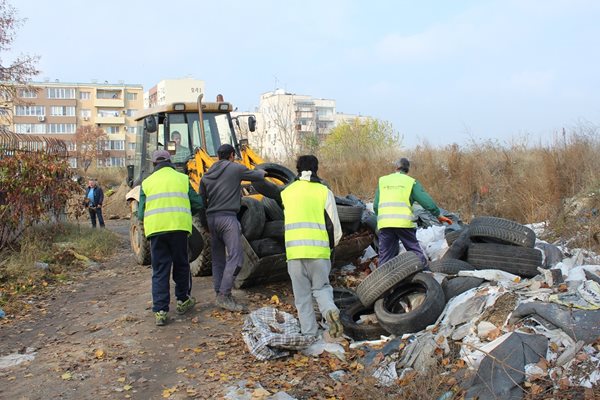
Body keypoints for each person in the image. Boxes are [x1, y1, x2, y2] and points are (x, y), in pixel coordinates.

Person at [280, 155, 344, 338]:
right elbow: (334, 226)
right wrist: (331, 247)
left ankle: (309, 334)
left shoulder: (287, 192)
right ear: (317, 168)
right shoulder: (324, 192)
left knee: (302, 297)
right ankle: (329, 311)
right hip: (318, 252)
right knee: (321, 289)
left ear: (297, 169)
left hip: (294, 253)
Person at [138, 150, 204, 326]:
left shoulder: (146, 183)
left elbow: (140, 213)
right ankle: (182, 301)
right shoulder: (182, 178)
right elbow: (197, 203)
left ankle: (160, 311)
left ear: (154, 164)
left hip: (156, 231)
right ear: (170, 162)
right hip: (179, 229)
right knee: (182, 265)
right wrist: (187, 214)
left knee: (160, 270)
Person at [199, 143, 266, 312]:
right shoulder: (234, 168)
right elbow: (257, 176)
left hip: (212, 219)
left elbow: (202, 203)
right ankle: (224, 295)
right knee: (236, 258)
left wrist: (205, 223)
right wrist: (264, 171)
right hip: (228, 218)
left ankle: (219, 292)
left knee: (218, 259)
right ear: (231, 155)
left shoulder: (206, 176)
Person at [374, 157, 452, 267]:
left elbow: (376, 206)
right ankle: (425, 276)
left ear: (396, 167)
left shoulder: (383, 181)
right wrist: (438, 215)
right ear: (407, 170)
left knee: (385, 256)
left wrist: (383, 218)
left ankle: (382, 280)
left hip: (385, 224)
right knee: (414, 250)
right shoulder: (410, 182)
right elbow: (426, 201)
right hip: (403, 223)